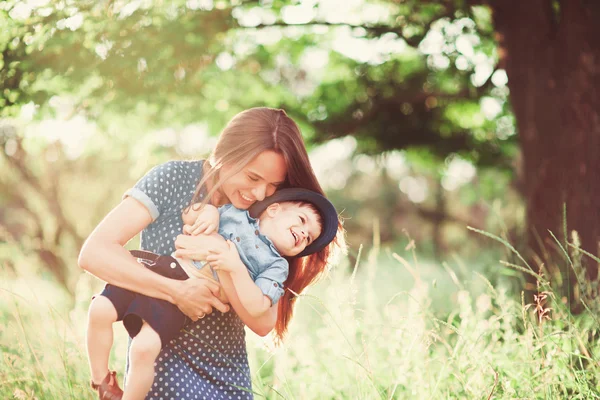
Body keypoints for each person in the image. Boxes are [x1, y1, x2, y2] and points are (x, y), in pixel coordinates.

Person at [78, 107, 343, 400]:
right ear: (225, 153)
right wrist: (177, 292)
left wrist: (225, 259)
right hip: (162, 369)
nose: (260, 194)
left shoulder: (271, 219)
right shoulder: (174, 179)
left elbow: (262, 322)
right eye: (253, 177)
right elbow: (95, 253)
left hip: (228, 376)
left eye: (273, 185)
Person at [87, 189, 339, 399]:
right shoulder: (234, 213)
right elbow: (190, 215)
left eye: (309, 238)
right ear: (274, 209)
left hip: (185, 297)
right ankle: (101, 381)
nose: (304, 234)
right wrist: (206, 212)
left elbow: (258, 305)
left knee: (143, 348)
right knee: (99, 309)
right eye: (303, 220)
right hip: (161, 270)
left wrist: (234, 266)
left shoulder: (276, 266)